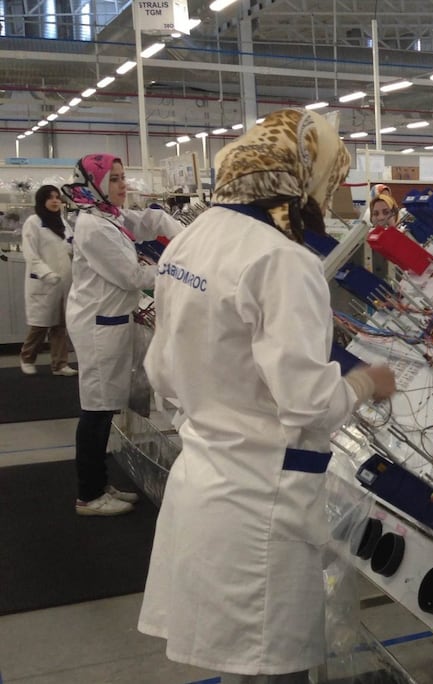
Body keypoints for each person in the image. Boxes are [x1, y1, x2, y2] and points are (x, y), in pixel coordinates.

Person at [138, 109, 397, 683]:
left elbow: (162, 371)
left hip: (206, 479)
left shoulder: (192, 240)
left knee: (242, 669)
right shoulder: (283, 259)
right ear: (306, 175)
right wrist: (366, 383)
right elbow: (307, 402)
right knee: (270, 666)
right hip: (262, 500)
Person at [63, 154, 186, 516]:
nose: (123, 185)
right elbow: (132, 277)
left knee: (104, 406)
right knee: (96, 410)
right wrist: (181, 267)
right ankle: (89, 494)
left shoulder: (107, 215)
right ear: (97, 183)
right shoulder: (94, 227)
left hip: (109, 319)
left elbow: (147, 220)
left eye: (122, 177)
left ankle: (99, 483)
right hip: (99, 325)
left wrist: (181, 230)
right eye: (114, 179)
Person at [20, 185, 76, 376]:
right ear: (41, 201)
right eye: (50, 198)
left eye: (57, 198)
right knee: (40, 325)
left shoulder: (62, 222)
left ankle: (59, 364)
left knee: (60, 325)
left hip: (63, 281)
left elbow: (70, 244)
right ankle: (27, 357)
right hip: (43, 282)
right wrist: (45, 273)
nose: (55, 201)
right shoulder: (33, 222)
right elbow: (30, 253)